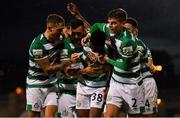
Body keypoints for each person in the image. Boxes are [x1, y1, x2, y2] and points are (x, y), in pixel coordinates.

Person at [83, 8, 145, 117]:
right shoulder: (110, 29)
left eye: (114, 23)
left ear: (123, 24)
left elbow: (125, 66)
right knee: (109, 116)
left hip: (132, 84)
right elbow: (97, 25)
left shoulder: (127, 41)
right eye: (109, 22)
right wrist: (88, 35)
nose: (110, 25)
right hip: (116, 83)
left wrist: (107, 60)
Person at [26, 14, 71, 117]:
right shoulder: (38, 45)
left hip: (52, 84)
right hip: (36, 84)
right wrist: (65, 63)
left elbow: (67, 33)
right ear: (50, 28)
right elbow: (48, 69)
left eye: (61, 29)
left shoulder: (59, 37)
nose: (61, 32)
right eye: (58, 30)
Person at [124, 17, 158, 116]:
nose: (125, 33)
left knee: (149, 115)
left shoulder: (139, 45)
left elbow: (150, 64)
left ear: (135, 31)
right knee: (133, 115)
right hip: (131, 84)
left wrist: (151, 66)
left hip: (145, 83)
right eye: (124, 30)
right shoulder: (122, 43)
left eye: (128, 30)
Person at [75, 29, 112, 117]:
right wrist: (85, 70)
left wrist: (108, 87)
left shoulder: (108, 50)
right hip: (82, 86)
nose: (94, 48)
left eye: (97, 46)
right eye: (93, 45)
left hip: (99, 87)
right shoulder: (84, 45)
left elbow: (112, 68)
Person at [57, 19, 87, 118]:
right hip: (67, 92)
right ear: (70, 31)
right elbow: (67, 72)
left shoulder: (89, 43)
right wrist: (70, 62)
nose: (77, 36)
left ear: (84, 31)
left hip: (85, 92)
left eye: (79, 33)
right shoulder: (65, 45)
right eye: (74, 33)